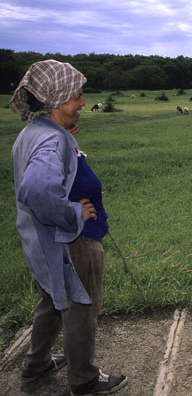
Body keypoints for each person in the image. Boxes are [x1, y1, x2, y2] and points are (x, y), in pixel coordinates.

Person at [10, 60, 127, 395]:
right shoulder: (51, 141)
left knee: (52, 299)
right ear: (59, 100)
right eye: (77, 96)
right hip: (72, 241)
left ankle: (36, 364)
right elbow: (37, 190)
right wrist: (74, 213)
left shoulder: (37, 130)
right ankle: (85, 380)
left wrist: (64, 135)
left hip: (45, 244)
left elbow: (51, 170)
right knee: (81, 308)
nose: (82, 102)